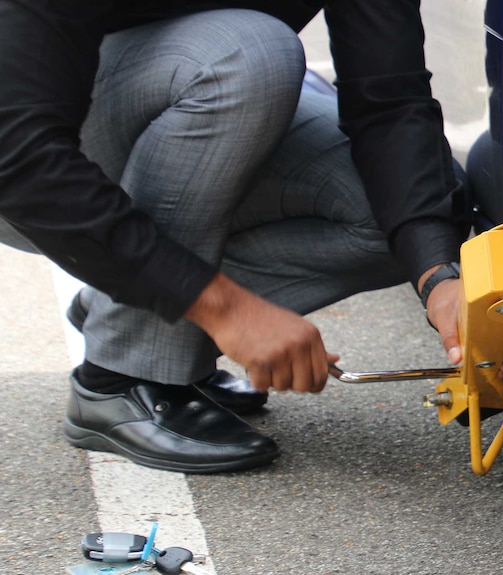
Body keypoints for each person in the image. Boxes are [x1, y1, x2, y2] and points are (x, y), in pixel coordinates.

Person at [0, 1, 468, 473]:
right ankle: (120, 374)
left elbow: (389, 101)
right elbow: (19, 158)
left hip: (178, 90)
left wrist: (437, 276)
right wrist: (226, 309)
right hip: (34, 138)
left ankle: (124, 301)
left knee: (407, 207)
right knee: (250, 52)